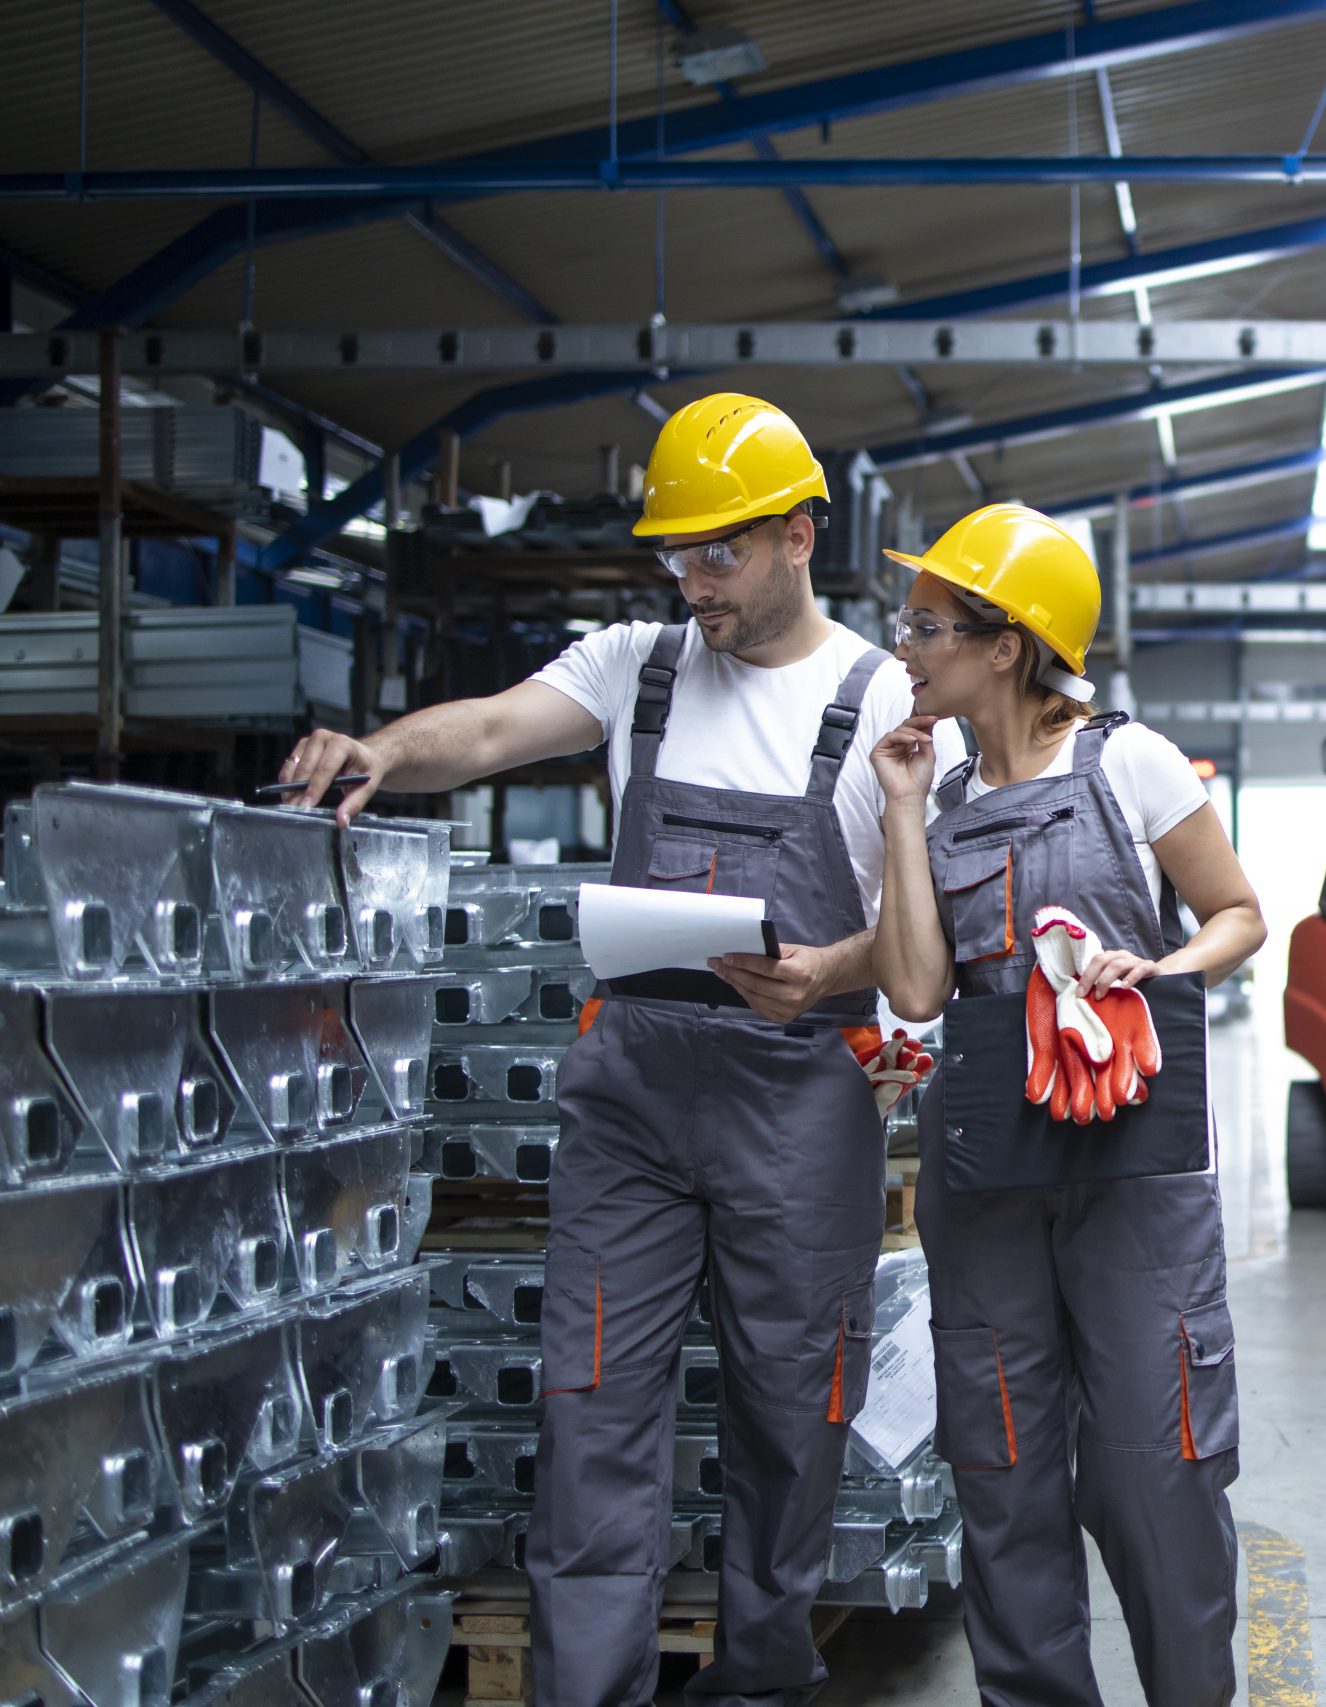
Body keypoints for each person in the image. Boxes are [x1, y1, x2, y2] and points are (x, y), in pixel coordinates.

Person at [278, 393, 957, 1707]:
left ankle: (760, 1678)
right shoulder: (635, 665)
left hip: (797, 1102)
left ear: (801, 534)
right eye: (678, 553)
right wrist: (381, 746)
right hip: (631, 1108)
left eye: (723, 552)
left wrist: (830, 967)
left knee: (787, 1411)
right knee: (591, 1404)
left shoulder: (879, 699)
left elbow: (918, 938)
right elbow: (481, 728)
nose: (694, 580)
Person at [866, 502, 1266, 1707]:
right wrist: (895, 805)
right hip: (986, 1181)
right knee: (1003, 1469)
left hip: (1130, 1176)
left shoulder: (1127, 763)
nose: (903, 645)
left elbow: (1240, 916)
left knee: (1158, 1468)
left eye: (927, 625)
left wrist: (1158, 972)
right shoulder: (933, 805)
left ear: (1004, 645)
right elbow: (919, 985)